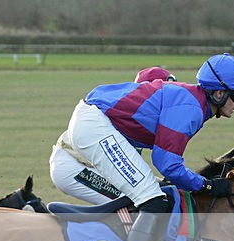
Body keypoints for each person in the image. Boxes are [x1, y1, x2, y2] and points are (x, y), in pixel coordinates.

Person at [54, 53, 234, 241]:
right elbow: (167, 163)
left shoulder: (192, 103)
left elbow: (167, 163)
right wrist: (206, 185)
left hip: (92, 122)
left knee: (155, 196)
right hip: (92, 128)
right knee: (152, 200)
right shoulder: (190, 107)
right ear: (218, 94)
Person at [50, 66, 177, 204]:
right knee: (138, 200)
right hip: (74, 166)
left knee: (147, 194)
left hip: (75, 161)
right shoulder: (134, 112)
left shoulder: (136, 107)